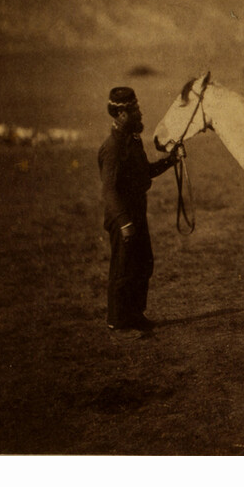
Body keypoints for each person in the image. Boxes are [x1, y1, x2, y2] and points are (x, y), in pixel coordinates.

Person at [98, 86, 178, 335]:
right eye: (135, 110)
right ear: (121, 114)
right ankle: (117, 322)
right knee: (123, 267)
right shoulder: (112, 147)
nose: (140, 113)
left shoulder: (133, 141)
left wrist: (171, 160)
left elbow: (145, 172)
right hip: (123, 216)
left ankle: (135, 315)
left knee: (143, 263)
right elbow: (109, 190)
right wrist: (124, 223)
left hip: (136, 213)